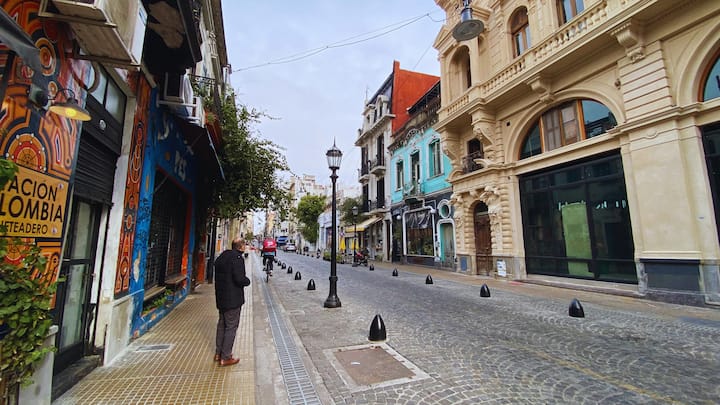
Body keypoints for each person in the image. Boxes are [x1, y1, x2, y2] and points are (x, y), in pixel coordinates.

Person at [213, 238, 251, 366]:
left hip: (221, 297)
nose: (245, 247)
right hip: (232, 299)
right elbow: (239, 279)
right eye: (244, 245)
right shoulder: (237, 258)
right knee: (231, 327)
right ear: (241, 247)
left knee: (221, 325)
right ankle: (226, 357)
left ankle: (218, 353)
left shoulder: (223, 256)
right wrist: (247, 281)